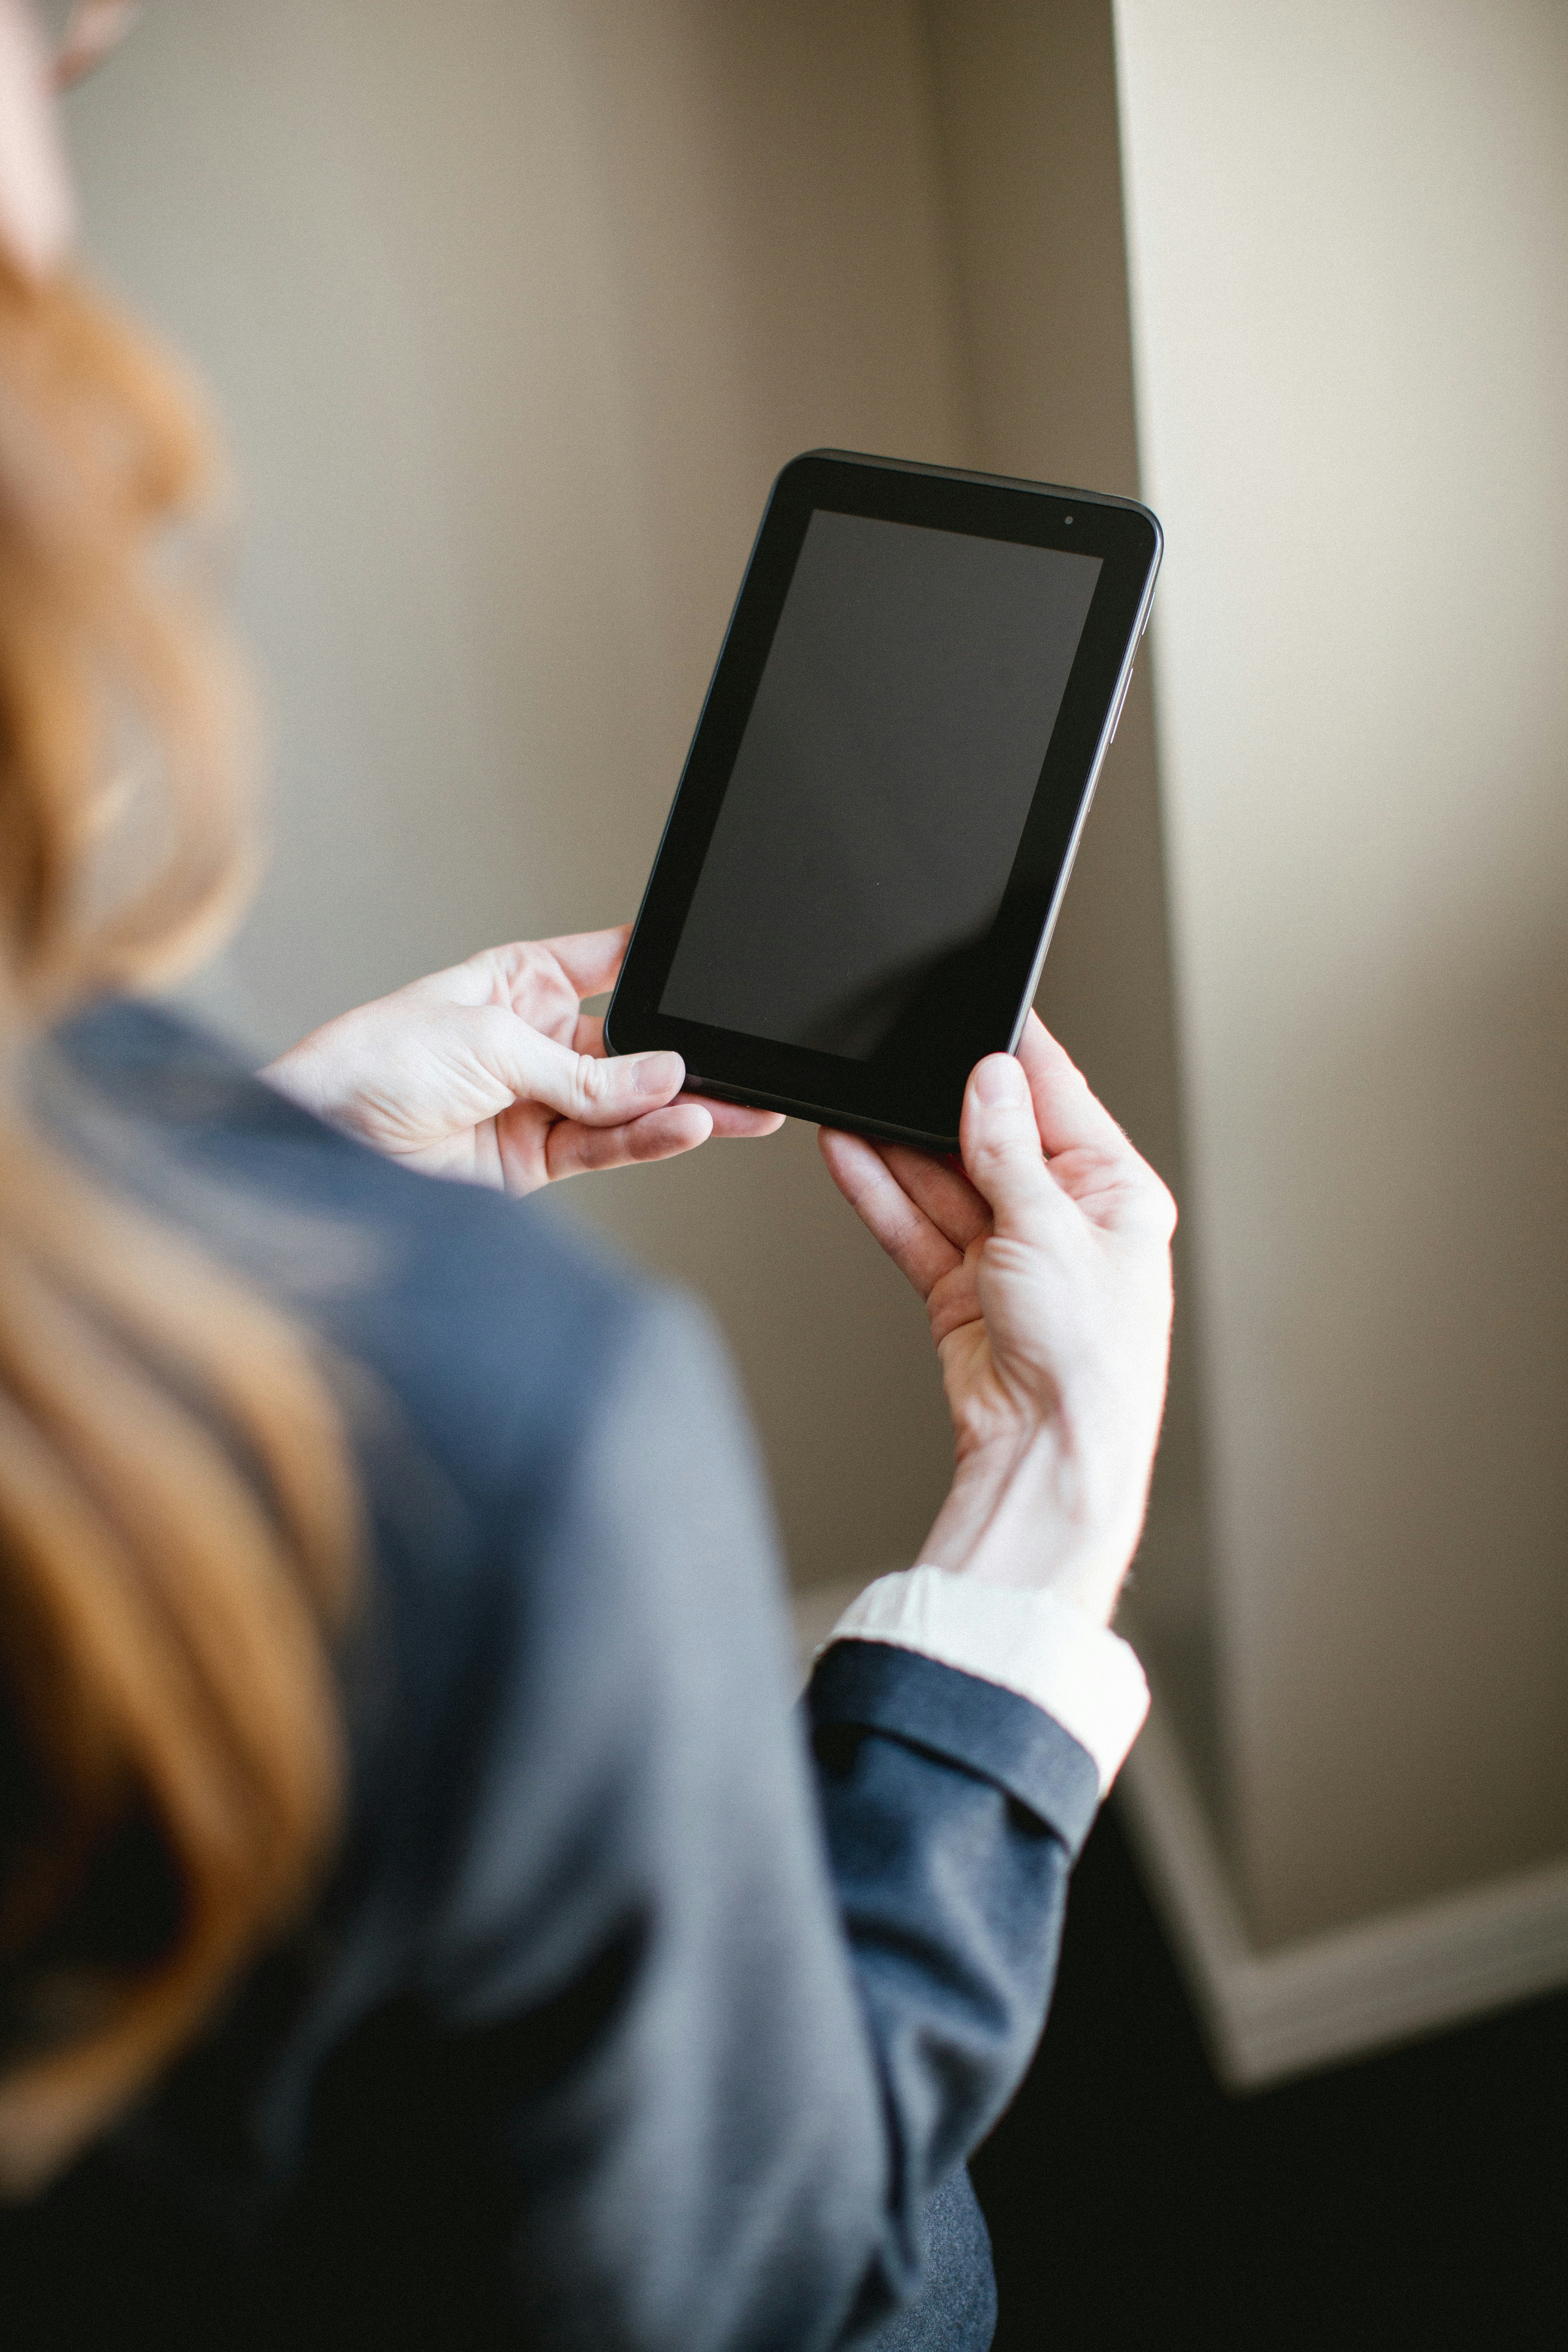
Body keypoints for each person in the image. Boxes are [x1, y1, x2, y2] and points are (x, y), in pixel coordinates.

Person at [0, 5, 1176, 2346]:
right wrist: (1038, 1536)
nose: (64, 224)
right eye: (40, 64)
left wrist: (269, 1178)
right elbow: (793, 2291)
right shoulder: (523, 1436)